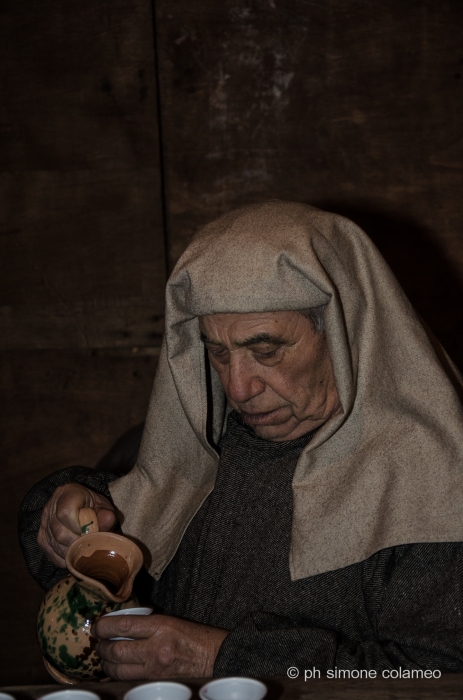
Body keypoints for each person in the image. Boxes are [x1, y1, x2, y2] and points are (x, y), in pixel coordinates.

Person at [19, 201, 463, 680]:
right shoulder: (223, 438)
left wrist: (224, 660)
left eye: (266, 350)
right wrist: (60, 506)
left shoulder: (430, 482)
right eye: (217, 352)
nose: (237, 388)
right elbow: (134, 510)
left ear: (344, 332)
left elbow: (432, 678)